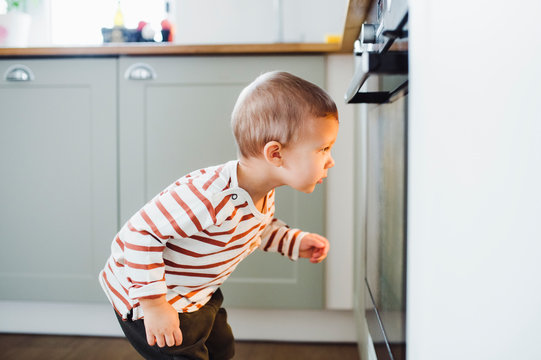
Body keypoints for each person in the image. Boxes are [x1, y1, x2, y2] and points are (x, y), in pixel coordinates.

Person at [99, 71, 339, 360]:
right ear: (276, 154)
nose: (330, 160)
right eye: (323, 149)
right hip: (148, 297)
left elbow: (254, 227)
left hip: (198, 294)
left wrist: (293, 241)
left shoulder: (262, 189)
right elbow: (140, 233)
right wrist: (154, 306)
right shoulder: (209, 195)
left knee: (222, 349)